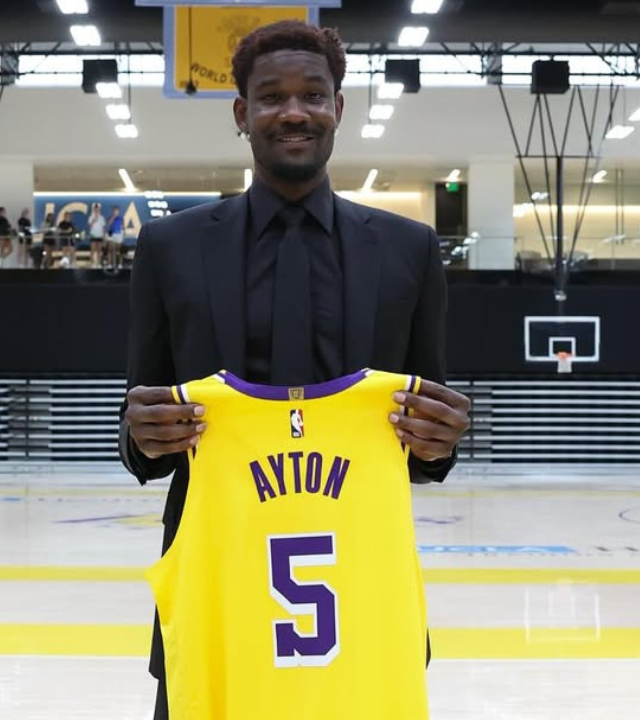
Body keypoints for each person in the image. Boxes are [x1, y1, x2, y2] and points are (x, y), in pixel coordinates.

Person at [118, 19, 471, 720]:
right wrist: (140, 434)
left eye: (313, 94)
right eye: (271, 95)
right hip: (213, 580)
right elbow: (139, 422)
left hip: (358, 589)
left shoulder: (409, 250)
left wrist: (443, 438)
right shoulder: (170, 248)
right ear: (242, 113)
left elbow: (426, 436)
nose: (294, 111)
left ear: (338, 109)